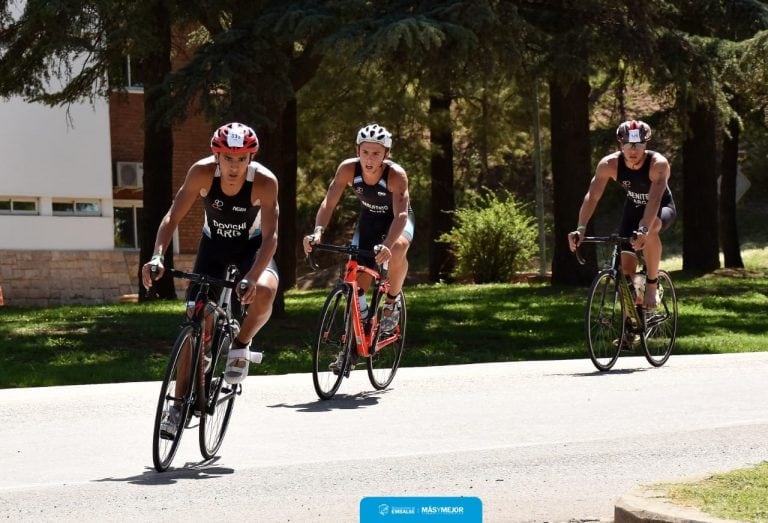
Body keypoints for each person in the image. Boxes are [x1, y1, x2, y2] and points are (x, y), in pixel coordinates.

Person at [142, 122, 279, 439]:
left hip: (251, 248)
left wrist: (253, 276)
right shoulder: (201, 173)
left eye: (242, 159)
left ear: (250, 158)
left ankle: (240, 346)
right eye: (228, 158)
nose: (234, 166)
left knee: (266, 292)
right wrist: (157, 256)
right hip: (213, 247)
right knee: (195, 317)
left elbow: (272, 236)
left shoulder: (265, 182)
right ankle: (176, 406)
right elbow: (172, 217)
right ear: (217, 156)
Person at [303, 123, 414, 373]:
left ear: (386, 154)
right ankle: (349, 350)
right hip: (369, 222)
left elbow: (401, 216)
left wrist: (386, 245)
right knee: (356, 284)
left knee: (397, 249)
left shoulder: (396, 175)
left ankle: (391, 303)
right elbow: (329, 203)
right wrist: (318, 230)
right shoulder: (347, 169)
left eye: (376, 153)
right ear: (357, 150)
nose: (369, 159)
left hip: (397, 221)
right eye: (365, 152)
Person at [568, 119, 676, 309]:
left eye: (639, 145)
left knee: (650, 229)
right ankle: (629, 331)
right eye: (628, 145)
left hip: (660, 207)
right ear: (621, 144)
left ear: (646, 144)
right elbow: (592, 197)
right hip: (633, 207)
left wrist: (643, 229)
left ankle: (652, 284)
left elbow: (654, 200)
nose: (633, 151)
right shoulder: (608, 164)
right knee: (625, 274)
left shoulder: (658, 164)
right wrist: (581, 228)